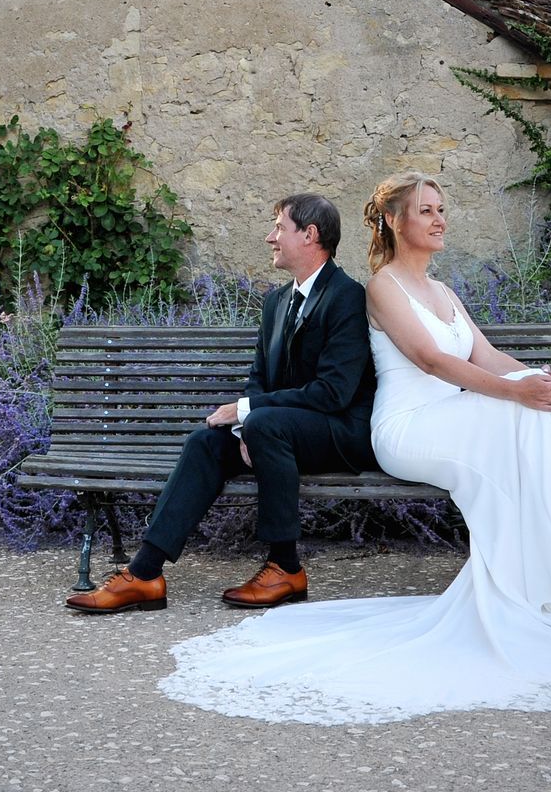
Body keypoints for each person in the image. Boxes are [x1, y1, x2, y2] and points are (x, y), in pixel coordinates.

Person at [158, 173, 551, 722]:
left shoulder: (445, 291)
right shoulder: (384, 286)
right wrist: (516, 390)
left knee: (541, 409)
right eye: (426, 210)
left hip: (454, 418)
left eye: (441, 209)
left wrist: (539, 379)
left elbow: (485, 357)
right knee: (521, 407)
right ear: (394, 220)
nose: (439, 220)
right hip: (409, 427)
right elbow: (433, 364)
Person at [66, 193, 376, 614]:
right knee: (205, 442)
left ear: (310, 235)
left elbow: (333, 393)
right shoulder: (275, 302)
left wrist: (251, 417)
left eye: (279, 228)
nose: (270, 237)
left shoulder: (347, 297)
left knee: (265, 426)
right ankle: (144, 574)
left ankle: (286, 567)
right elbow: (259, 379)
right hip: (278, 432)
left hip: (340, 432)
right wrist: (246, 422)